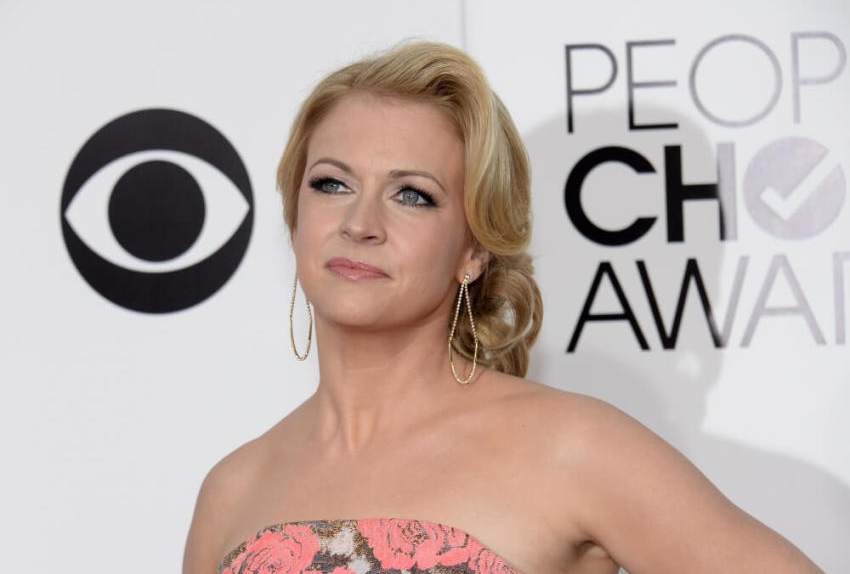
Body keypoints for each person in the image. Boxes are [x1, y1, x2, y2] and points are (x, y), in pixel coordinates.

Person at [182, 41, 822, 574]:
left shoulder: (574, 447)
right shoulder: (233, 490)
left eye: (412, 195)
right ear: (296, 218)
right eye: (331, 184)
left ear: (473, 251)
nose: (360, 222)